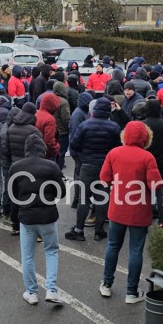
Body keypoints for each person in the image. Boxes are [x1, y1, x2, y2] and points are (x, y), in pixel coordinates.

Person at [99, 121, 162, 304]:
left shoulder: (114, 153)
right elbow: (155, 185)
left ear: (125, 135)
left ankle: (106, 284)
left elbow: (104, 179)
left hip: (117, 207)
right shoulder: (147, 157)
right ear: (146, 137)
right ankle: (131, 292)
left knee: (113, 245)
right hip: (139, 209)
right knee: (135, 250)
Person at [7, 133, 65, 306]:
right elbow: (61, 192)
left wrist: (14, 219)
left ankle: (31, 292)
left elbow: (11, 195)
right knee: (51, 251)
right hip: (48, 216)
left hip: (27, 217)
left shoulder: (16, 167)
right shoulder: (51, 166)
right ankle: (51, 289)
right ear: (42, 148)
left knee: (28, 256)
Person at [65, 98, 121, 242]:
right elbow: (118, 147)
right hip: (105, 166)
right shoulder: (114, 127)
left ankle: (79, 230)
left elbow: (74, 144)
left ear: (94, 110)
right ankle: (99, 231)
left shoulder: (85, 125)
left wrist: (83, 155)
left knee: (84, 198)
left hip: (87, 165)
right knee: (102, 198)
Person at [52, 82, 71, 169]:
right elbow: (66, 119)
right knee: (61, 152)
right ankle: (58, 170)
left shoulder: (51, 99)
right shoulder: (63, 102)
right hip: (62, 131)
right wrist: (69, 129)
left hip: (53, 130)